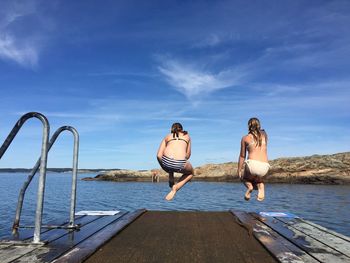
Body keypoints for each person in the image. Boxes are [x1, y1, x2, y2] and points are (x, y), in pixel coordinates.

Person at [157, 123, 194, 201]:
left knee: (170, 166)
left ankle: (170, 172)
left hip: (166, 161)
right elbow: (188, 155)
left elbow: (159, 155)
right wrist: (182, 158)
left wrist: (164, 168)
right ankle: (175, 188)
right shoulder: (187, 136)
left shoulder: (167, 137)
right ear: (182, 129)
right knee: (190, 173)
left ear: (172, 129)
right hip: (180, 163)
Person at [237, 117, 270, 201]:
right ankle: (261, 185)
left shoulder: (245, 138)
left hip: (252, 165)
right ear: (259, 125)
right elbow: (262, 131)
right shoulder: (265, 136)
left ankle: (249, 187)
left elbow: (242, 156)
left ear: (248, 126)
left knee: (243, 177)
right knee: (257, 180)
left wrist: (239, 171)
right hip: (265, 167)